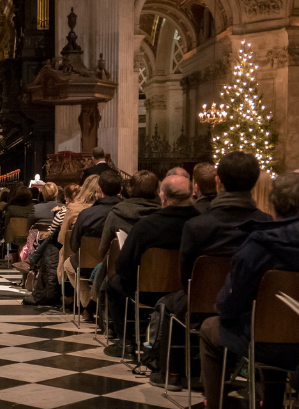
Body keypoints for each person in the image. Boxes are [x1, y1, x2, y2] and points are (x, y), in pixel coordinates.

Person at [148, 152, 272, 390]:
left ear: (218, 182)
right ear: (255, 182)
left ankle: (171, 372)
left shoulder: (197, 225)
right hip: (254, 305)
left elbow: (187, 277)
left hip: (200, 300)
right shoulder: (267, 223)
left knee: (167, 305)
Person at [200, 173, 299, 409]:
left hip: (264, 341)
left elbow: (232, 302)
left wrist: (226, 312)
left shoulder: (260, 245)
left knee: (209, 328)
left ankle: (215, 403)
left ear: (273, 206)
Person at [102, 175, 199, 358]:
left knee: (111, 284)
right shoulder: (200, 223)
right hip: (188, 292)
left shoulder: (146, 226)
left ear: (162, 196)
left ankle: (125, 342)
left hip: (146, 291)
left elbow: (124, 267)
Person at [64, 170, 123, 321]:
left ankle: (89, 303)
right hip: (119, 265)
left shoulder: (86, 214)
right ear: (120, 190)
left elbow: (75, 244)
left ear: (99, 190)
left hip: (87, 264)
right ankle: (93, 301)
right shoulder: (125, 212)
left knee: (68, 265)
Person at [98, 170, 161, 262]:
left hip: (124, 272)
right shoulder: (163, 215)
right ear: (156, 190)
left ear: (131, 188)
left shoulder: (117, 213)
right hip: (156, 272)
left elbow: (103, 250)